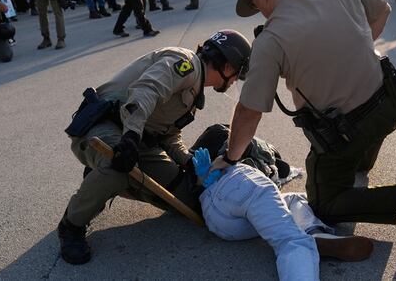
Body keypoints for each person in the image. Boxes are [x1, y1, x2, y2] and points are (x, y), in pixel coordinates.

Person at [214, 0, 396, 248]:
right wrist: (354, 52)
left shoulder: (271, 40)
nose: (258, 10)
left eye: (254, 3)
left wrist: (231, 158)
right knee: (364, 134)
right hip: (390, 102)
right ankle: (362, 157)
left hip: (349, 129)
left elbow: (249, 112)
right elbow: (383, 7)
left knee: (324, 204)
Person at [56, 30, 252, 265]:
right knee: (118, 167)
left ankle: (103, 181)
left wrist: (187, 161)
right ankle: (72, 223)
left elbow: (169, 135)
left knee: (189, 202)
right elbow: (145, 91)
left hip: (137, 140)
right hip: (103, 126)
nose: (233, 82)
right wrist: (129, 137)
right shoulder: (185, 63)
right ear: (228, 67)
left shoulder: (193, 92)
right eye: (237, 75)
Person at [191, 124, 374, 279]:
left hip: (217, 221)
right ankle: (310, 234)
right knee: (291, 241)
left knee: (292, 199)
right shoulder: (234, 141)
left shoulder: (201, 153)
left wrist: (203, 178)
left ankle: (312, 231)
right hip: (241, 183)